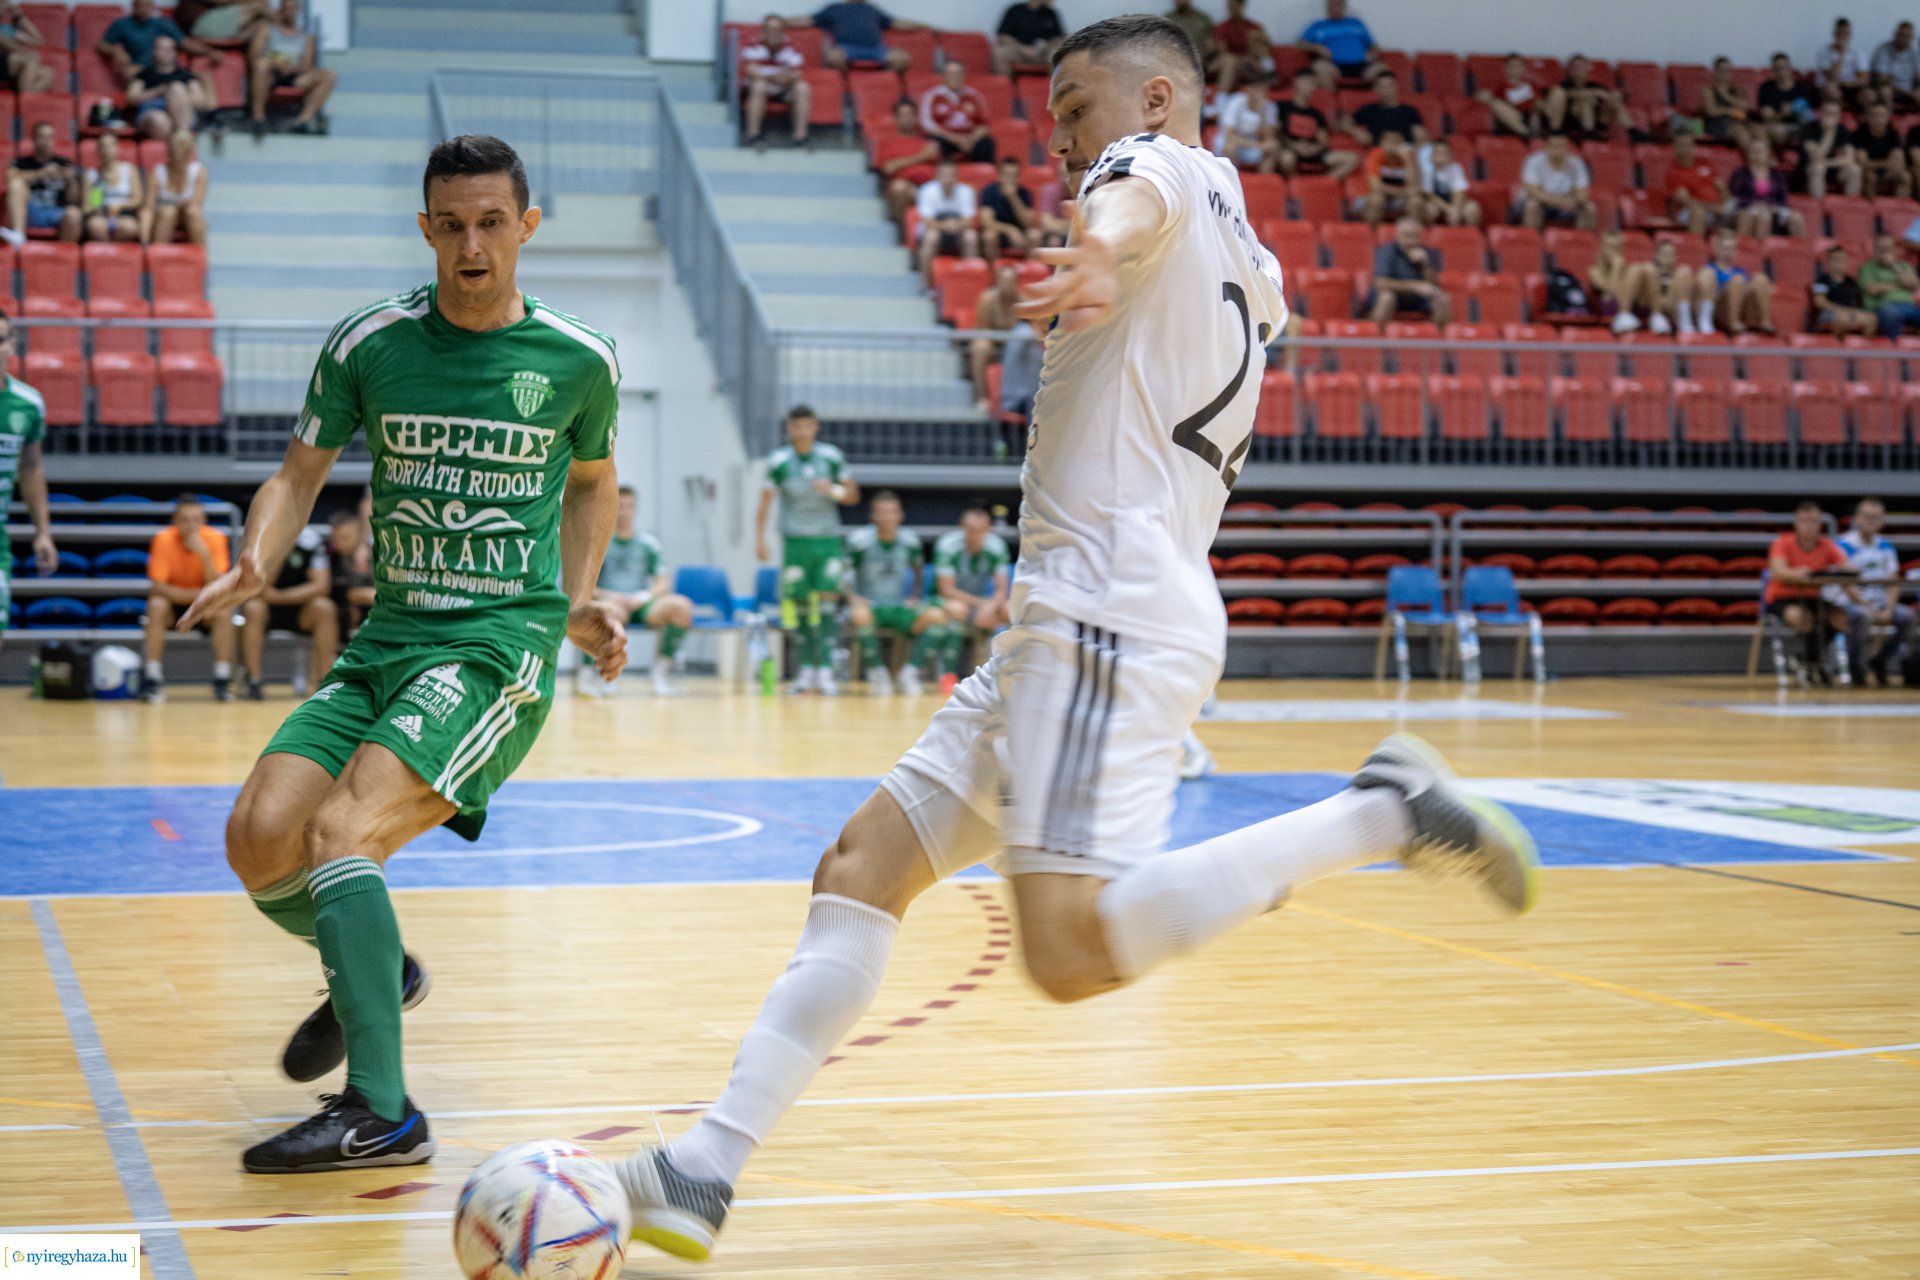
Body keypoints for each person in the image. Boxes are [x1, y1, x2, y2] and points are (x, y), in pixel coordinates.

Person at [607, 19, 1537, 1262]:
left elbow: (1134, 197)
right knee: (859, 866)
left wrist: (1099, 251)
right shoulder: (1251, 262)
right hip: (1073, 607)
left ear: (1155, 98)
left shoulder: (1156, 167)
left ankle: (1383, 810)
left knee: (1066, 956)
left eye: (1072, 109)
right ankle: (703, 1168)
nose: (1061, 139)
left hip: (1107, 601)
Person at [192, 134, 627, 1172]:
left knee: (346, 830)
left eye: (491, 222)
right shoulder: (368, 342)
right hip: (391, 635)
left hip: (493, 648)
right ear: (425, 227)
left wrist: (570, 605)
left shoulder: (580, 357)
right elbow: (298, 475)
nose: (470, 244)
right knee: (260, 837)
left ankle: (381, 1114)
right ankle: (374, 974)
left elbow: (592, 484)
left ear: (526, 226)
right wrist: (260, 553)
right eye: (451, 223)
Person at [757, 404, 858, 695]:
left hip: (826, 540)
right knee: (799, 607)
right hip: (795, 540)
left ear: (815, 428)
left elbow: (853, 495)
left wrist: (834, 490)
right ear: (789, 429)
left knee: (827, 605)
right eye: (796, 427)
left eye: (807, 426)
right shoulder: (779, 460)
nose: (802, 432)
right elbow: (765, 501)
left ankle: (825, 671)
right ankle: (805, 672)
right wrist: (760, 539)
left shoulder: (831, 457)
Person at [589, 486, 692, 698]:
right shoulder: (599, 542)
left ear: (635, 509)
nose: (624, 511)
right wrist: (612, 597)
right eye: (620, 506)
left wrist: (642, 597)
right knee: (604, 612)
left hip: (641, 603)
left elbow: (662, 584)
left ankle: (660, 674)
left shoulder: (648, 544)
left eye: (629, 506)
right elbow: (587, 586)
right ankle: (607, 674)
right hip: (612, 602)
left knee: (681, 607)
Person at [843, 491, 946, 695]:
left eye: (892, 512)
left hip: (899, 605)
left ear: (900, 515)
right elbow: (842, 574)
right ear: (873, 516)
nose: (887, 517)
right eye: (882, 512)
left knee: (937, 616)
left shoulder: (910, 541)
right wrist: (853, 598)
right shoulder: (859, 541)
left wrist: (914, 597)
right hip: (871, 606)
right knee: (860, 615)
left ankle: (910, 672)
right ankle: (877, 673)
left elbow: (919, 571)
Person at [143, 494, 236, 703]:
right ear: (175, 521)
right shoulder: (163, 539)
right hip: (174, 606)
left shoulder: (216, 539)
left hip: (205, 608)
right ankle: (152, 677)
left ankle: (222, 678)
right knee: (156, 605)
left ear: (204, 521)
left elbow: (218, 584)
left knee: (223, 610)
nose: (191, 525)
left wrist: (203, 553)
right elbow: (158, 587)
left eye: (196, 519)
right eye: (185, 519)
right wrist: (199, 595)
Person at [239, 522, 338, 701]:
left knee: (324, 607)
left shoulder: (312, 541)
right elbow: (259, 587)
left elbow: (321, 586)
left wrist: (278, 596)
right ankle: (253, 679)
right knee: (253, 607)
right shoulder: (260, 539)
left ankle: (324, 681)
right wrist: (283, 548)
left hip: (299, 608)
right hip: (265, 610)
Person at [0, 313, 54, 634]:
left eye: (2, 339)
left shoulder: (29, 404)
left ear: (12, 345)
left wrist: (42, 531)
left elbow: (31, 468)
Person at [1831, 497, 1914, 686]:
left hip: (1880, 602)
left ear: (1882, 521)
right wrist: (1867, 606)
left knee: (1907, 616)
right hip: (1852, 603)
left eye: (1875, 517)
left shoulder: (1885, 546)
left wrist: (1889, 609)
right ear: (1856, 518)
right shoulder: (1843, 545)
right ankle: (1856, 668)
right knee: (1861, 616)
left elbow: (1893, 581)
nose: (1870, 521)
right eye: (1867, 516)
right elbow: (1845, 583)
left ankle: (1880, 659)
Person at [1766, 501, 1850, 684]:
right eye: (1804, 521)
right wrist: (1797, 573)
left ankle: (1807, 659)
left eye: (1813, 521)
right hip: (1782, 597)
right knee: (1803, 617)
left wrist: (1845, 570)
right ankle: (1814, 663)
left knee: (1840, 617)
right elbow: (1778, 572)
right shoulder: (1782, 543)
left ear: (1820, 524)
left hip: (1813, 597)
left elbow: (1847, 567)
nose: (1809, 526)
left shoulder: (1826, 545)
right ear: (1796, 523)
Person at [928, 502, 1010, 675]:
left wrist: (990, 606)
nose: (975, 535)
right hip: (948, 600)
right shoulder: (948, 545)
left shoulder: (996, 546)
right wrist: (982, 605)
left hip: (979, 603)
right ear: (962, 527)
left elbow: (1002, 589)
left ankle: (1004, 668)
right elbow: (946, 589)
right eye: (971, 529)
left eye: (980, 530)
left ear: (989, 529)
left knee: (1008, 610)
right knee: (957, 609)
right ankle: (947, 673)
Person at [247, 0, 336, 137]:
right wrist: (278, 64)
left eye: (294, 8)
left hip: (295, 75)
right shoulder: (266, 29)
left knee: (328, 75)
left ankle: (303, 121)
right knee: (260, 65)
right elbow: (255, 55)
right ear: (280, 9)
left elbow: (306, 64)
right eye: (286, 7)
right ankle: (258, 118)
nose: (290, 11)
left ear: (298, 11)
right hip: (271, 73)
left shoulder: (306, 37)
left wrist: (292, 68)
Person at [98, 0, 226, 88]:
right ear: (133, 6)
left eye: (147, 5)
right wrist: (116, 51)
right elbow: (102, 45)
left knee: (204, 77)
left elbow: (186, 43)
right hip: (142, 69)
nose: (144, 9)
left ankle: (212, 117)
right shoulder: (122, 24)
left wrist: (209, 51)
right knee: (131, 74)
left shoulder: (164, 23)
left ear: (153, 6)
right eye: (140, 5)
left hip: (170, 70)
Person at [1, 122, 81, 248]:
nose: (47, 141)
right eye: (42, 137)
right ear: (33, 139)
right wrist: (41, 174)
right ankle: (18, 235)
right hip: (30, 211)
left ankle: (64, 255)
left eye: (50, 137)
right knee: (16, 184)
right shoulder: (20, 163)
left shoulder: (64, 164)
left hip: (57, 211)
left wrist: (71, 181)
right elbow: (10, 179)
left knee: (74, 213)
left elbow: (74, 200)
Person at [790, 0, 924, 74]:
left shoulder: (872, 9)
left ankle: (879, 80)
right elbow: (808, 20)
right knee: (833, 57)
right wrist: (782, 22)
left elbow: (897, 23)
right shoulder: (834, 8)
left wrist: (926, 26)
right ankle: (850, 80)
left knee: (902, 59)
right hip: (846, 50)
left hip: (875, 50)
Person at [740, 15, 811, 150]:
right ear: (763, 31)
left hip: (783, 87)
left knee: (803, 87)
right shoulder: (754, 43)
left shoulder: (791, 45)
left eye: (778, 30)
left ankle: (800, 137)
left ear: (782, 31)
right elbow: (750, 70)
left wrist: (788, 78)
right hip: (761, 86)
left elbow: (797, 73)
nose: (774, 33)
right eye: (770, 29)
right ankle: (753, 135)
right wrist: (772, 77)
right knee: (759, 85)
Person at [1273, 68, 1356, 179]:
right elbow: (1276, 133)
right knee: (1287, 159)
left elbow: (1323, 141)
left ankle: (1321, 184)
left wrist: (1314, 148)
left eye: (1313, 84)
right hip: (1290, 149)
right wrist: (1293, 145)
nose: (1310, 87)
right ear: (1297, 82)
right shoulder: (1281, 107)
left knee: (1352, 158)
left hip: (1313, 152)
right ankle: (1296, 185)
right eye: (1307, 82)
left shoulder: (1317, 114)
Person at [127, 35, 213, 140]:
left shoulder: (185, 75)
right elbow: (132, 98)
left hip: (182, 115)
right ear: (154, 51)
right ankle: (179, 140)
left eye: (170, 49)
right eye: (162, 49)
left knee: (176, 87)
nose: (167, 52)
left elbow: (201, 101)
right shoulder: (144, 75)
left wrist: (175, 95)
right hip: (153, 113)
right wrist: (158, 91)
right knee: (158, 120)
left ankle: (182, 137)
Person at [1369, 214, 1450, 325]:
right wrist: (1414, 286)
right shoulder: (1386, 252)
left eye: (1415, 236)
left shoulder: (1427, 253)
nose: (1411, 241)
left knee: (1442, 299)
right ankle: (1377, 338)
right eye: (1407, 236)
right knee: (1387, 298)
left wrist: (1425, 264)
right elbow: (1381, 283)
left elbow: (1435, 285)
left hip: (1417, 301)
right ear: (1397, 235)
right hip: (1394, 299)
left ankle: (1438, 339)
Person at [914, 158, 981, 285]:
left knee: (971, 236)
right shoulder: (927, 191)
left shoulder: (966, 192)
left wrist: (957, 225)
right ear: (937, 176)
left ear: (957, 176)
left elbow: (969, 221)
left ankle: (969, 282)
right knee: (931, 236)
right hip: (935, 231)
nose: (948, 179)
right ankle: (926, 284)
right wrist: (945, 226)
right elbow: (928, 222)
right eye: (944, 175)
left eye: (952, 175)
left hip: (957, 231)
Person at [872, 98, 940, 222]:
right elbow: (888, 168)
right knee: (899, 187)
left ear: (916, 118)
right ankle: (904, 235)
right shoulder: (887, 143)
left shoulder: (928, 143)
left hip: (930, 187)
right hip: (906, 188)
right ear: (896, 119)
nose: (907, 119)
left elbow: (943, 169)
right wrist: (922, 156)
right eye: (903, 115)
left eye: (910, 115)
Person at [964, 260, 1019, 413]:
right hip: (992, 341)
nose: (1007, 285)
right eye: (1004, 281)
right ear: (997, 281)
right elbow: (983, 329)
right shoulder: (987, 299)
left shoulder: (1022, 301)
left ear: (1016, 283)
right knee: (981, 346)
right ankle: (981, 397)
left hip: (1014, 343)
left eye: (1011, 281)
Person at [919, 59, 994, 163]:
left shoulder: (975, 95)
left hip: (970, 138)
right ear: (943, 76)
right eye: (951, 74)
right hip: (945, 137)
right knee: (935, 144)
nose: (955, 77)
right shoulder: (932, 95)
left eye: (958, 74)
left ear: (964, 75)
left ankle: (984, 176)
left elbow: (983, 124)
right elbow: (927, 124)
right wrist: (955, 139)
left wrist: (970, 140)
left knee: (987, 143)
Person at [1726, 138, 1802, 238]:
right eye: (1754, 151)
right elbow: (1736, 195)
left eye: (1760, 151)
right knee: (1764, 216)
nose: (1757, 154)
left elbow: (1783, 198)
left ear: (1768, 153)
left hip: (1773, 207)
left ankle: (1799, 251)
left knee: (1797, 217)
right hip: (1748, 207)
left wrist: (1775, 207)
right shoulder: (1740, 173)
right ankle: (1761, 250)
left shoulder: (1777, 175)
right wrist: (1754, 204)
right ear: (1748, 154)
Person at [1519, 132, 1594, 230]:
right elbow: (1534, 191)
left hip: (1567, 202)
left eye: (1562, 146)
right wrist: (1560, 202)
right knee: (1532, 205)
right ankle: (1533, 241)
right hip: (1542, 202)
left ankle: (1581, 241)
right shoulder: (1534, 161)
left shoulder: (1577, 163)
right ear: (1547, 147)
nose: (1558, 150)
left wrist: (1575, 201)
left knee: (1589, 208)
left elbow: (1583, 194)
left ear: (1567, 148)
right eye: (1555, 146)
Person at [146, 129, 208, 246]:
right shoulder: (157, 173)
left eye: (179, 146)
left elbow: (196, 202)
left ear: (188, 150)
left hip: (187, 216)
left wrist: (181, 205)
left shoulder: (199, 172)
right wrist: (144, 236)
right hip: (162, 216)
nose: (174, 149)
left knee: (193, 212)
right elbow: (148, 208)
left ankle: (200, 259)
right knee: (168, 212)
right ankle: (157, 256)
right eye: (172, 145)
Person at [1707, 227, 1772, 336]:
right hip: (1720, 310)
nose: (1728, 253)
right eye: (1725, 249)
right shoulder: (1710, 269)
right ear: (1717, 249)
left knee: (1760, 279)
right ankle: (1733, 322)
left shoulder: (1740, 271)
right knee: (1738, 281)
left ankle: (1765, 321)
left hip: (1743, 307)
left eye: (1732, 249)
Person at [1213, 66, 1278, 173]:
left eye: (1264, 88)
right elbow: (1230, 136)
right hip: (1232, 144)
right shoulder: (1236, 102)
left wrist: (1261, 114)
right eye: (1258, 88)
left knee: (1273, 146)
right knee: (1231, 147)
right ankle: (1234, 182)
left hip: (1252, 146)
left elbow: (1269, 137)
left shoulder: (1269, 106)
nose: (1261, 92)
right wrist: (1258, 146)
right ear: (1250, 89)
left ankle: (1263, 182)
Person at [84, 133, 146, 244]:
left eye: (111, 145)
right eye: (103, 146)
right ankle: (107, 254)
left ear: (118, 149)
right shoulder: (92, 174)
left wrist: (120, 206)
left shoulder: (129, 169)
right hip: (102, 216)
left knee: (129, 227)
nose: (107, 149)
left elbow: (138, 199)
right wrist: (97, 205)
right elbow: (88, 205)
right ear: (98, 151)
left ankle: (116, 254)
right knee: (95, 225)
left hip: (124, 214)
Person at [324, 507, 376, 639]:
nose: (339, 544)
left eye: (345, 538)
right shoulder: (330, 555)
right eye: (335, 539)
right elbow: (335, 591)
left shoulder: (376, 553)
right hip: (344, 613)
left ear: (359, 532)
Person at [1543, 55, 1622, 139]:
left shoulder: (1593, 85)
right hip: (1568, 119)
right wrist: (1592, 94)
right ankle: (1589, 133)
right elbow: (1561, 93)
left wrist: (1606, 97)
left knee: (1615, 98)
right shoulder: (1565, 85)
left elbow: (1607, 96)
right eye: (1576, 67)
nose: (1580, 70)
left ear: (1588, 67)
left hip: (1598, 118)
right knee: (1585, 102)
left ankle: (1632, 130)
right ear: (1570, 69)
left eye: (1582, 66)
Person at [1644, 236, 1711, 335]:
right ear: (1656, 255)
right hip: (1653, 308)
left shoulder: (1680, 276)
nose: (1667, 257)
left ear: (1675, 257)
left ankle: (1687, 321)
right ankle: (1659, 316)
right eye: (1664, 253)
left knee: (1686, 270)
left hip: (1675, 308)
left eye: (1670, 254)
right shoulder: (1650, 272)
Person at [1298, 0, 1378, 82]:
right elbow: (1299, 44)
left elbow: (1374, 46)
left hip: (1362, 65)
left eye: (1338, 4)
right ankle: (1331, 94)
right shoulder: (1318, 26)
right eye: (1331, 5)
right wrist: (1316, 47)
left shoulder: (1356, 23)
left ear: (1344, 6)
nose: (1334, 8)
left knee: (1382, 72)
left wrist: (1372, 54)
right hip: (1334, 66)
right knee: (1319, 67)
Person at [1860, 232, 1920, 339]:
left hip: (1908, 306)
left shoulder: (1903, 265)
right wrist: (1899, 286)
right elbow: (1872, 289)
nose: (1884, 252)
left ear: (1894, 249)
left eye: (1887, 248)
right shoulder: (1868, 266)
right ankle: (1892, 352)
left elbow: (1914, 285)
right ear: (1875, 250)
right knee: (1890, 313)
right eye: (1880, 248)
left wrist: (1894, 266)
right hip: (1882, 307)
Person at [1811, 244, 1879, 337]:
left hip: (1850, 312)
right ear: (1828, 262)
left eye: (1842, 260)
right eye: (1836, 259)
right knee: (1842, 318)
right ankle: (1838, 348)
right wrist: (1842, 310)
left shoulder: (1851, 281)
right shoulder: (1821, 281)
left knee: (1872, 318)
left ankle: (1863, 348)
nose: (1840, 263)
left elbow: (1858, 302)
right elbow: (1820, 302)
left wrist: (1854, 311)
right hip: (1830, 313)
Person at [1800, 98, 1862, 199]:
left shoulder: (1842, 129)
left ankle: (1851, 208)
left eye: (1834, 114)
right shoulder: (1808, 128)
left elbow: (1849, 158)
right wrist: (1829, 132)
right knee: (1818, 168)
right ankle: (1817, 204)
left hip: (1831, 168)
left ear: (1839, 116)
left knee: (1855, 169)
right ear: (1820, 113)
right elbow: (1817, 157)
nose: (1830, 116)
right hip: (1809, 170)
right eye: (1827, 113)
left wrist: (1827, 163)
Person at [979, 155, 1038, 259]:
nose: (1011, 180)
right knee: (989, 236)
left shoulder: (1025, 193)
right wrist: (1010, 230)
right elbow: (986, 222)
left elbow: (1028, 222)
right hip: (999, 231)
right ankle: (994, 271)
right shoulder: (989, 191)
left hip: (1021, 233)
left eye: (1014, 176)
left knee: (1034, 235)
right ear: (999, 176)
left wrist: (1013, 198)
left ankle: (1031, 270)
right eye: (1007, 175)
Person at [1755, 52, 1817, 152]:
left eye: (1784, 68)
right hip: (1776, 127)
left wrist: (1793, 109)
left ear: (1790, 68)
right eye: (1777, 69)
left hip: (1799, 127)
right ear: (1773, 71)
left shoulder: (1802, 88)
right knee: (1770, 130)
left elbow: (1807, 115)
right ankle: (1777, 158)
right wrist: (1781, 114)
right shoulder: (1766, 88)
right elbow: (1766, 115)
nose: (1781, 72)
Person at [1661, 131, 1723, 231]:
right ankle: (1696, 246)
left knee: (1745, 213)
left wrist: (1725, 205)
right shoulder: (1675, 172)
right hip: (1690, 211)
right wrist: (1710, 207)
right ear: (1675, 147)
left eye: (1687, 145)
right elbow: (1685, 200)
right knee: (1697, 212)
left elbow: (1721, 186)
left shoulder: (1704, 163)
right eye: (1681, 145)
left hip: (1717, 209)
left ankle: (1745, 246)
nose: (1685, 149)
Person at [1345, 71, 1425, 147]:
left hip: (1404, 150)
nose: (1387, 90)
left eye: (1389, 86)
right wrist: (1356, 131)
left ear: (1396, 86)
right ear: (1376, 89)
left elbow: (1420, 134)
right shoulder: (1369, 110)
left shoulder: (1409, 111)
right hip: (1379, 151)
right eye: (1382, 87)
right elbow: (1344, 122)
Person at [1590, 229, 1648, 334]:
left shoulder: (1628, 270)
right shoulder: (1594, 271)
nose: (1613, 251)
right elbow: (1611, 291)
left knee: (1638, 269)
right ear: (1602, 248)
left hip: (1633, 311)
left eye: (1616, 248)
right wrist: (1616, 266)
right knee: (1608, 295)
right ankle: (1623, 314)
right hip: (1609, 310)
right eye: (1609, 247)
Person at [1209, 0, 1270, 96]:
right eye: (1230, 7)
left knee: (1257, 40)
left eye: (1235, 6)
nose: (1232, 10)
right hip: (1222, 63)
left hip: (1247, 64)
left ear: (1242, 6)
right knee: (1230, 61)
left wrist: (1258, 42)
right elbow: (1221, 52)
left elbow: (1267, 49)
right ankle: (1220, 101)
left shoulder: (1254, 27)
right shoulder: (1222, 27)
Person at [1475, 53, 1542, 139]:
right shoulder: (1500, 85)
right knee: (1497, 104)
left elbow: (1539, 101)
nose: (1517, 70)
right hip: (1512, 117)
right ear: (1506, 68)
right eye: (1513, 67)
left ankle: (1535, 134)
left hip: (1531, 116)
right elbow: (1482, 96)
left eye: (1519, 66)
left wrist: (1535, 113)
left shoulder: (1530, 84)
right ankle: (1527, 135)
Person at [1852, 100, 1911, 197]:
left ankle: (1900, 208)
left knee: (1905, 177)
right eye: (1875, 115)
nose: (1878, 119)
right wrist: (1887, 162)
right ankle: (1870, 207)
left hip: (1887, 171)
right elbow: (1863, 164)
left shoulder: (1893, 134)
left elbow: (1899, 161)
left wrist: (1885, 165)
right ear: (1868, 117)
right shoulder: (1859, 134)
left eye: (1882, 116)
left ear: (1888, 118)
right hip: (1868, 172)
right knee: (1870, 177)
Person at [1358, 129, 1415, 228]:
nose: (1393, 145)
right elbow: (1375, 186)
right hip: (1369, 196)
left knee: (1416, 201)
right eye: (1389, 141)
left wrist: (1406, 159)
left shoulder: (1408, 156)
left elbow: (1414, 184)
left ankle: (1413, 237)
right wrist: (1402, 192)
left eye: (1397, 141)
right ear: (1382, 144)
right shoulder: (1375, 154)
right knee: (1377, 199)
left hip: (1399, 198)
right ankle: (1371, 236)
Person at [1416, 137, 1479, 227]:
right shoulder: (1427, 169)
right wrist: (1449, 209)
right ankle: (1429, 236)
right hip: (1436, 203)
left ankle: (1469, 237)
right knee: (1429, 210)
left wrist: (1455, 209)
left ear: (1451, 154)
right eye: (1437, 152)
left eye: (1443, 152)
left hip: (1451, 201)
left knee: (1472, 208)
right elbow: (1429, 195)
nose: (1440, 156)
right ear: (1431, 155)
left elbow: (1459, 192)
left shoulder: (1456, 168)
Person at [994, 0, 1064, 76]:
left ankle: (1055, 86)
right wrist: (1022, 49)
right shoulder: (1015, 10)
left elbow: (1058, 38)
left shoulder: (1051, 14)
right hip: (1018, 52)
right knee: (1000, 53)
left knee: (1057, 54)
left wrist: (1045, 46)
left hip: (1042, 54)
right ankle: (1004, 86)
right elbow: (1003, 36)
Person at [0, 3, 55, 94]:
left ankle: (26, 98)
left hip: (9, 65)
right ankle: (26, 98)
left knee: (48, 73)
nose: (3, 8)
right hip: (4, 62)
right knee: (30, 58)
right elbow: (7, 44)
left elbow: (38, 41)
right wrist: (23, 51)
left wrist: (20, 17)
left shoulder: (5, 29)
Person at [1699, 57, 1751, 148]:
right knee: (1739, 131)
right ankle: (1756, 160)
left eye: (1728, 71)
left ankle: (1767, 159)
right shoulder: (1709, 91)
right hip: (1716, 125)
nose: (1725, 74)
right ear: (1715, 72)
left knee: (1758, 130)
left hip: (1738, 122)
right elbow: (1711, 111)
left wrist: (1726, 95)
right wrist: (1730, 111)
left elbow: (1745, 107)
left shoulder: (1737, 90)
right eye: (1722, 71)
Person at [1816, 17, 1868, 106]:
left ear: (1850, 34)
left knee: (1869, 95)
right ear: (1834, 33)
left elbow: (1864, 78)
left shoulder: (1858, 52)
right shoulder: (1824, 52)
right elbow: (1832, 77)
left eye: (1846, 33)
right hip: (1829, 87)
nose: (1843, 36)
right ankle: (1838, 117)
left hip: (1851, 86)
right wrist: (1842, 54)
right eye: (1840, 33)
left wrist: (1849, 84)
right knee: (1832, 90)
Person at [1870, 20, 1920, 110]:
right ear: (1895, 34)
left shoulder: (1914, 52)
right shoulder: (1883, 50)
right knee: (1885, 92)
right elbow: (1882, 79)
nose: (1906, 40)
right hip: (1892, 89)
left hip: (1911, 89)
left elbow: (1918, 77)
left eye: (1909, 37)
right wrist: (1908, 93)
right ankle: (1887, 121)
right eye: (1903, 36)